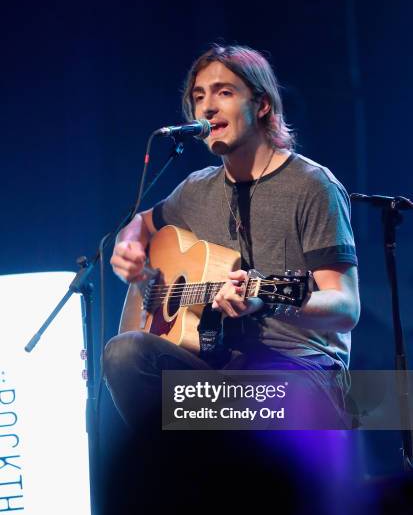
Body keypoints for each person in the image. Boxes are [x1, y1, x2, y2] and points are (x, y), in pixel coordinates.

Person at [104, 43, 360, 429]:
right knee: (125, 353)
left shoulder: (313, 186)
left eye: (224, 92)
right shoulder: (195, 190)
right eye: (198, 96)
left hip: (301, 373)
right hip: (219, 366)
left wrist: (266, 300)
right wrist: (129, 243)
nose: (207, 107)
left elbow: (345, 308)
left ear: (261, 105)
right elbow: (142, 222)